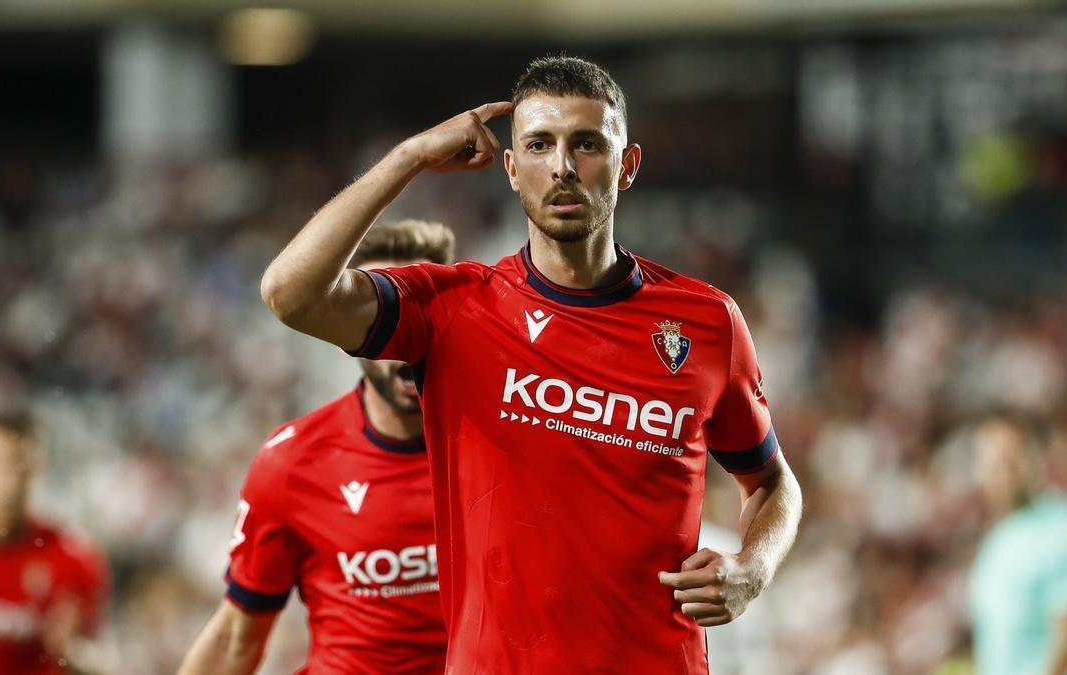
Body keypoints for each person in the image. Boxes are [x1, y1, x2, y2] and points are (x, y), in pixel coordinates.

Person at [259, 56, 803, 672]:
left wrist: (752, 569)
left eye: (587, 144)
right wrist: (407, 157)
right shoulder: (454, 309)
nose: (563, 167)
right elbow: (289, 292)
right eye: (539, 146)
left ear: (627, 167)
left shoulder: (706, 322)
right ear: (512, 170)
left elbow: (773, 483)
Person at [179, 219, 455, 675]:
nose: (405, 347)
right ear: (354, 329)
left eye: (418, 316)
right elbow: (235, 637)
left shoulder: (509, 443)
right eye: (387, 320)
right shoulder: (294, 461)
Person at [0, 410, 109, 675]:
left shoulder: (72, 558)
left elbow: (99, 660)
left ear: (38, 469)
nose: (8, 479)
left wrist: (71, 652)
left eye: (19, 464)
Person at [969, 413, 1067, 675]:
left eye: (1008, 462)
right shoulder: (999, 538)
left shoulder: (1064, 533)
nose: (997, 474)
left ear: (1037, 459)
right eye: (988, 463)